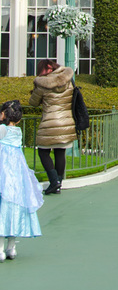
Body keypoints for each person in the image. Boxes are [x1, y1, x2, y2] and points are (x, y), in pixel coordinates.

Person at [0, 100, 43, 260]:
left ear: (4, 115)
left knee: (3, 208)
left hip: (4, 174)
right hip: (17, 175)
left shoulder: (2, 130)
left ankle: (0, 249)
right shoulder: (18, 131)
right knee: (14, 207)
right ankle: (11, 247)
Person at [29, 58, 75, 195]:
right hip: (66, 122)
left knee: (43, 152)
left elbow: (33, 102)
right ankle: (58, 184)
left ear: (48, 68)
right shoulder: (69, 80)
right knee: (60, 152)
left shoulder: (43, 84)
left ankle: (54, 181)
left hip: (49, 122)